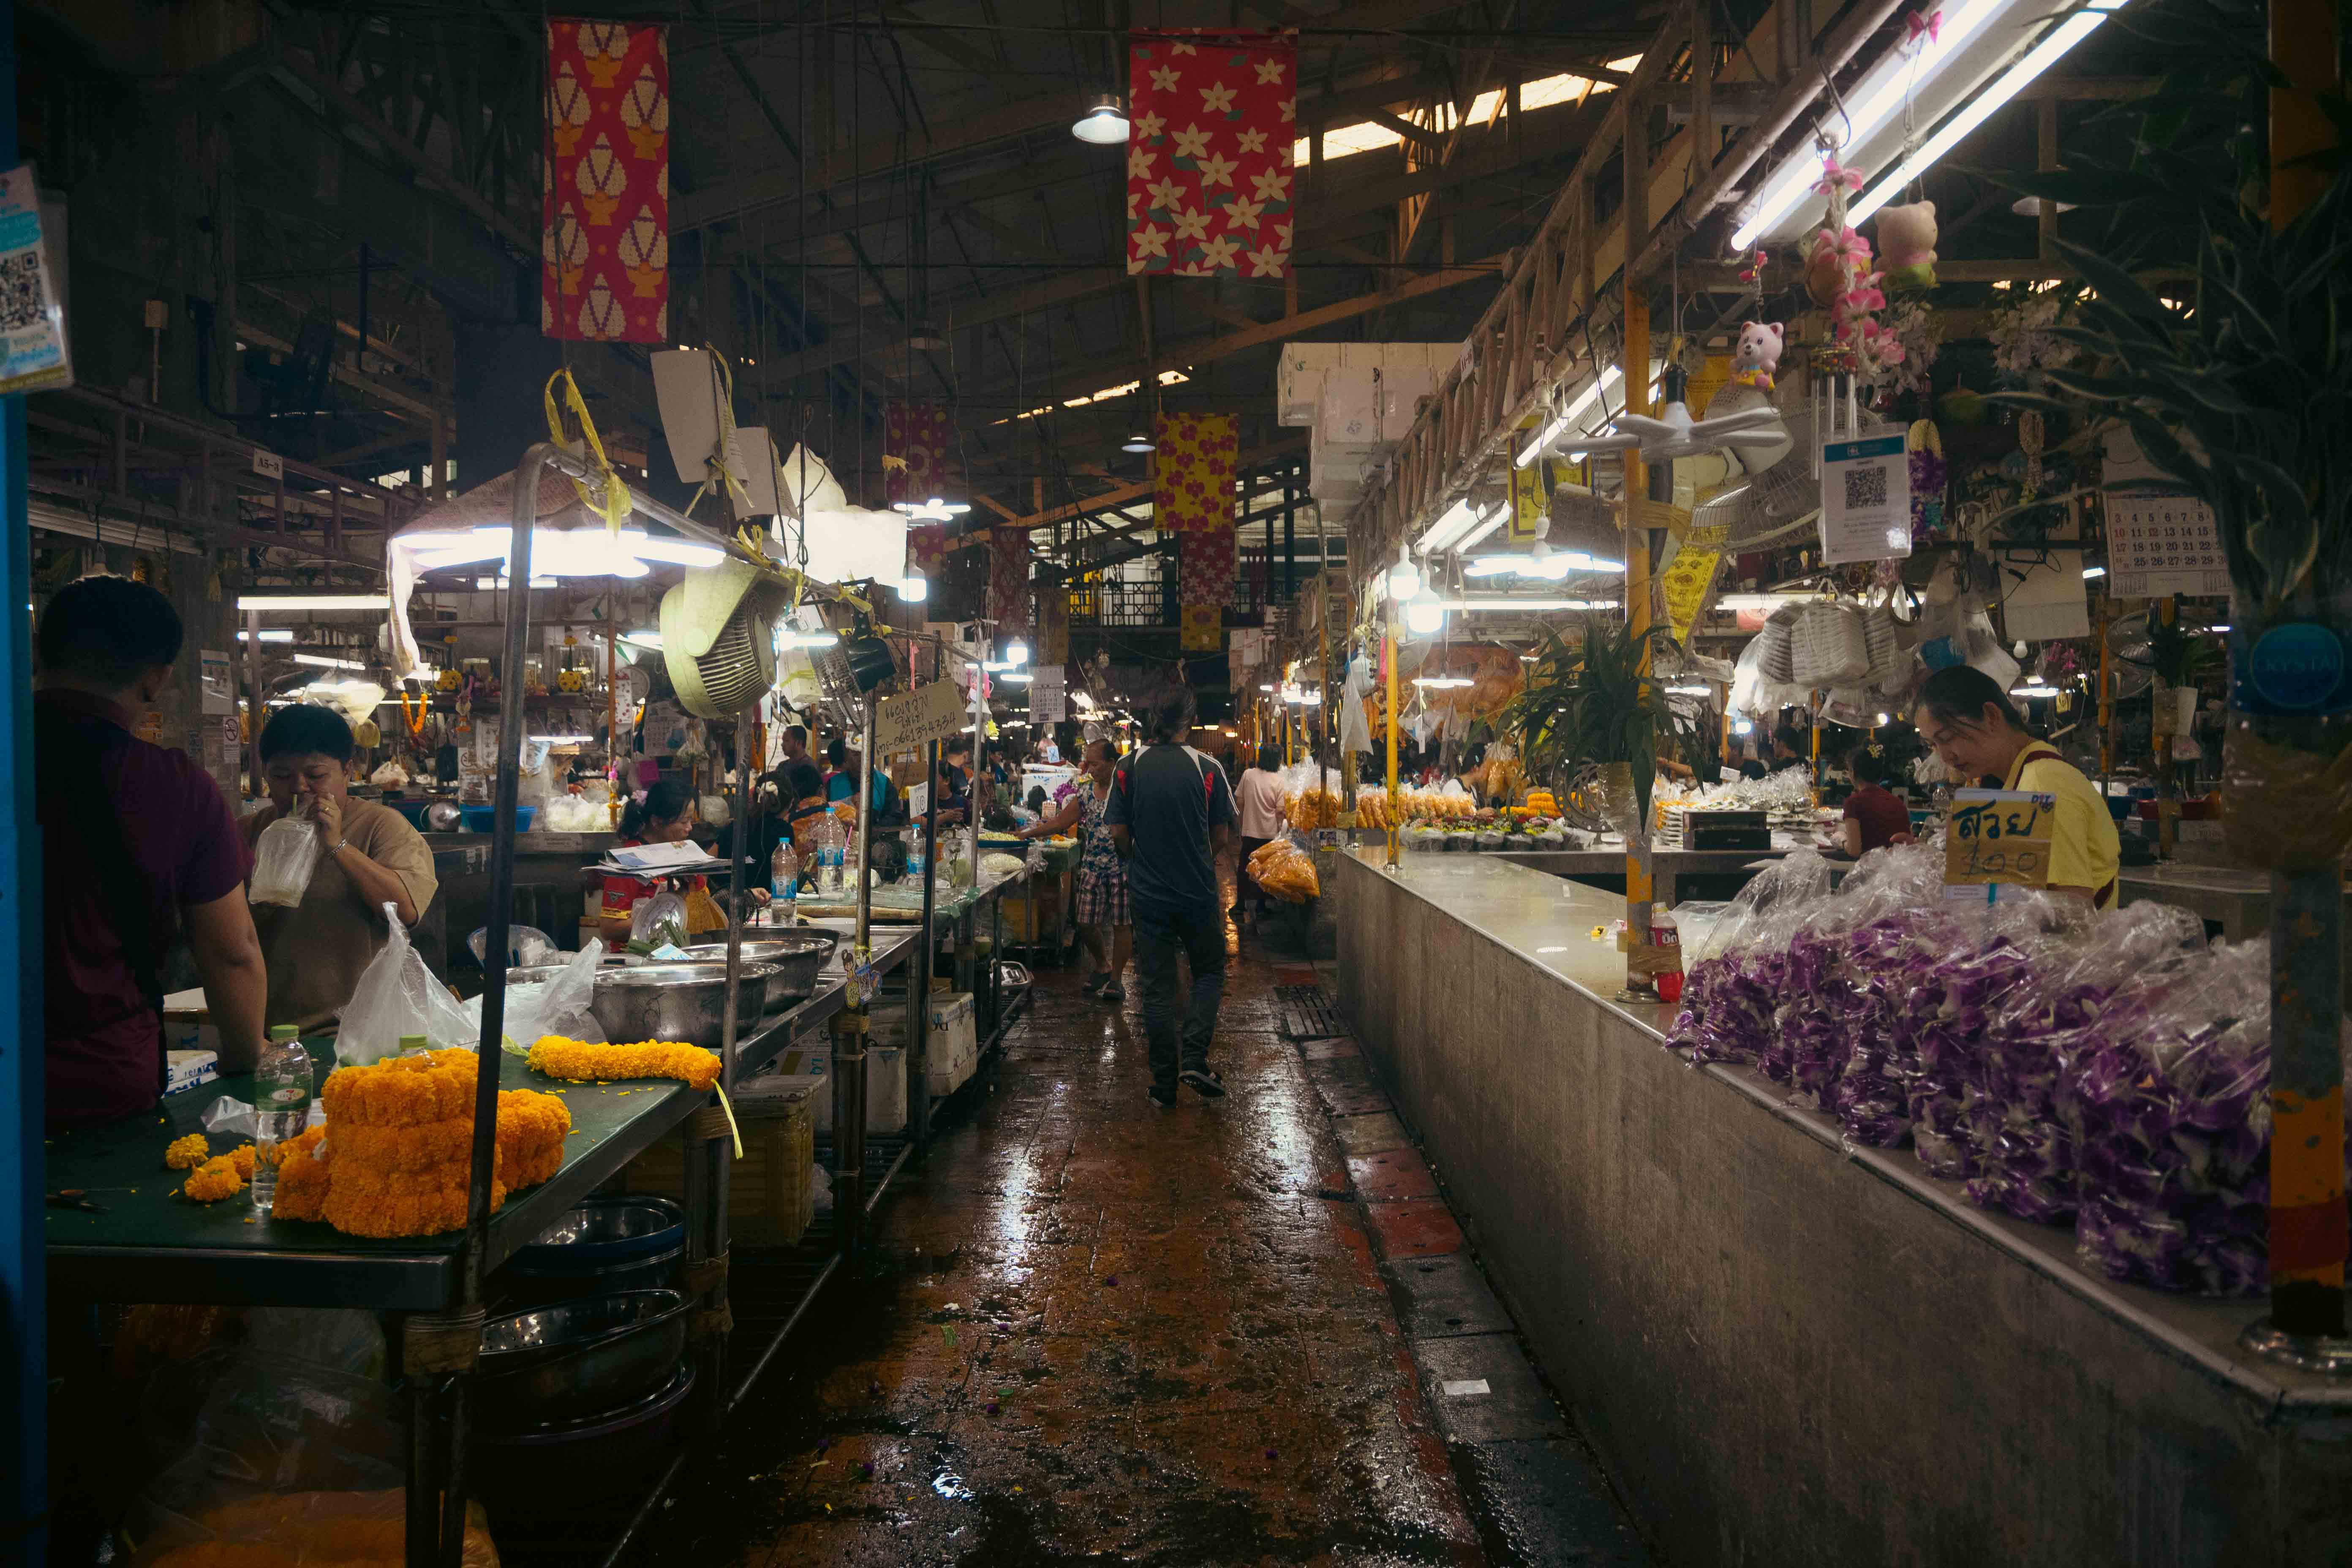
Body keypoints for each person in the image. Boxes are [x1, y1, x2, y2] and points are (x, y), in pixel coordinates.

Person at [35, 575, 268, 1127]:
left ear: (38, 652)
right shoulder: (176, 788)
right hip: (103, 1083)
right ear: (157, 679)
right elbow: (231, 950)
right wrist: (245, 1055)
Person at [242, 705, 439, 1031]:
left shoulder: (381, 826)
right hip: (269, 1030)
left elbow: (404, 910)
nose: (298, 787)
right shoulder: (250, 831)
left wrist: (337, 845)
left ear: (348, 770)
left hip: (355, 1031)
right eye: (281, 775)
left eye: (316, 776)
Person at [1107, 688, 1238, 1108]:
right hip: (1197, 892)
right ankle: (1194, 1058)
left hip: (1148, 895)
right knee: (1209, 971)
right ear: (1190, 722)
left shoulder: (1128, 767)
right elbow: (1221, 835)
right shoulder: (1208, 767)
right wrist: (1198, 859)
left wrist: (1138, 861)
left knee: (1157, 988)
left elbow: (1118, 832)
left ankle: (1164, 1085)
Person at [1920, 665, 2119, 906]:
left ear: (1991, 716)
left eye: (1947, 738)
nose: (1945, 757)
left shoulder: (2042, 782)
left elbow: (2073, 910)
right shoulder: (2023, 777)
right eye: (1933, 745)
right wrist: (1931, 865)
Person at [1025, 739, 1131, 999]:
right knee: (1084, 923)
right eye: (1088, 764)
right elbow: (1061, 822)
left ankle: (1116, 980)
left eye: (1095, 764)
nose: (1090, 769)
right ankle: (1103, 965)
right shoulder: (1085, 793)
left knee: (1122, 925)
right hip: (1092, 866)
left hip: (1122, 868)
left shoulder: (1126, 791)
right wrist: (1027, 834)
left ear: (1112, 763)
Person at [1232, 743, 1288, 919]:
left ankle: (1240, 904)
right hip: (1269, 834)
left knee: (1245, 868)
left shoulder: (1248, 775)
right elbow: (1280, 810)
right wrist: (1281, 830)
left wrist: (1242, 825)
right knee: (1265, 870)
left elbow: (1239, 802)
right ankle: (1261, 906)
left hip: (1250, 831)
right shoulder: (1279, 780)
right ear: (1277, 761)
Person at [1838, 746, 1913, 857]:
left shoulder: (1853, 803)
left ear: (1853, 772)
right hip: (1899, 865)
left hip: (1871, 866)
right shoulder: (1897, 802)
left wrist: (1841, 840)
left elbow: (1854, 850)